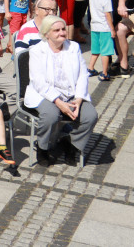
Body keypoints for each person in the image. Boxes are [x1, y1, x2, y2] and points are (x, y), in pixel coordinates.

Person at [25, 15, 98, 167]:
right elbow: (38, 81)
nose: (62, 33)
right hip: (45, 94)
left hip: (71, 93)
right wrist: (59, 102)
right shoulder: (37, 50)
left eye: (63, 29)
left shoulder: (73, 47)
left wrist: (78, 99)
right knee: (50, 115)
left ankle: (71, 144)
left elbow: (82, 75)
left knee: (90, 116)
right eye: (56, 30)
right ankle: (42, 147)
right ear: (46, 34)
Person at [87, 0, 116, 81]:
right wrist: (112, 29)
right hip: (105, 28)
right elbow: (107, 15)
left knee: (95, 50)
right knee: (106, 51)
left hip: (95, 27)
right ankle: (104, 73)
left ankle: (90, 68)